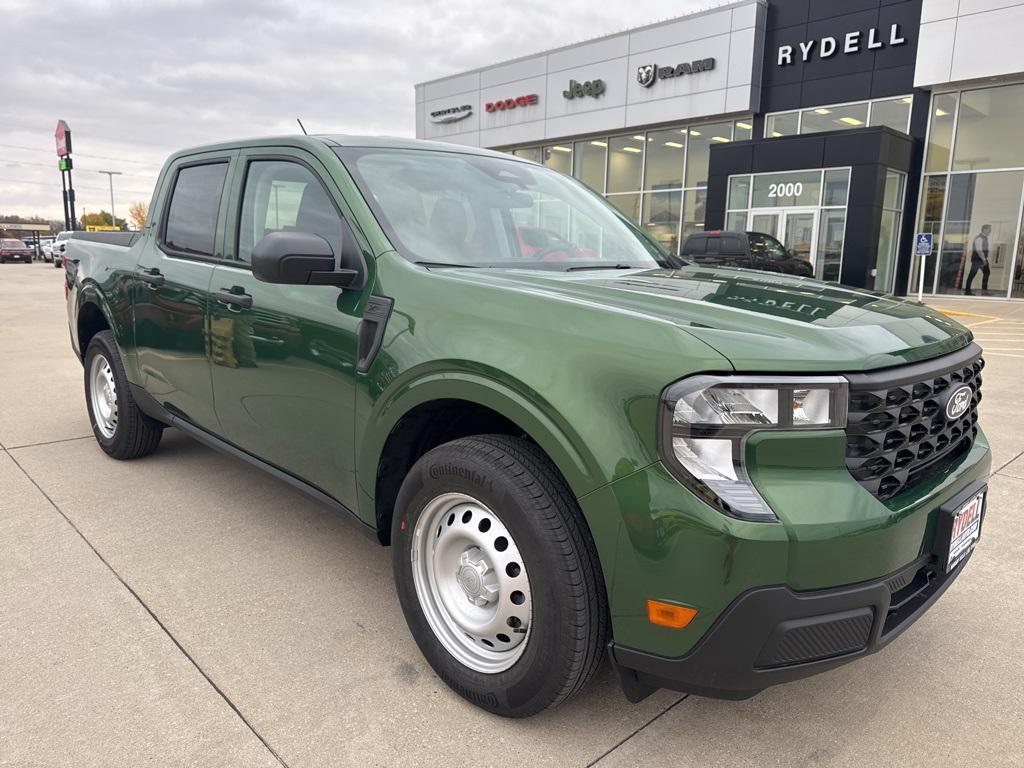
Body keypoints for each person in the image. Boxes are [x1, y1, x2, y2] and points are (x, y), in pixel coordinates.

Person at [965, 224, 992, 295]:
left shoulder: (984, 238)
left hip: (980, 259)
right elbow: (979, 250)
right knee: (973, 274)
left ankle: (984, 291)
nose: (990, 231)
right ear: (984, 230)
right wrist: (984, 260)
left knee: (986, 273)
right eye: (989, 229)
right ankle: (968, 291)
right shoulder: (979, 238)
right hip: (978, 260)